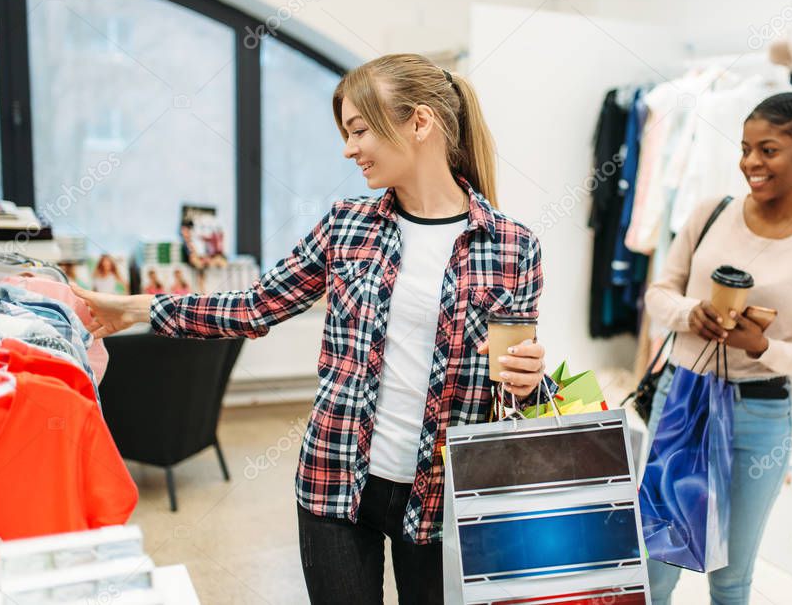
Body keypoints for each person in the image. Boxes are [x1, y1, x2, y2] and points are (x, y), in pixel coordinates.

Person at [72, 54, 550, 604]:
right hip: (334, 483)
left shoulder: (513, 246)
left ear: (420, 123)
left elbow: (516, 397)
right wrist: (137, 310)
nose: (349, 149)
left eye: (359, 130)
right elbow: (254, 306)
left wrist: (529, 378)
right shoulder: (346, 224)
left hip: (445, 499)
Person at [643, 91, 792, 605]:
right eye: (744, 149)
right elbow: (658, 293)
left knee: (732, 577)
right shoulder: (711, 212)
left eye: (767, 150)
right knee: (656, 564)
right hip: (683, 398)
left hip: (758, 416)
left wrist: (764, 346)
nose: (750, 163)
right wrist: (688, 313)